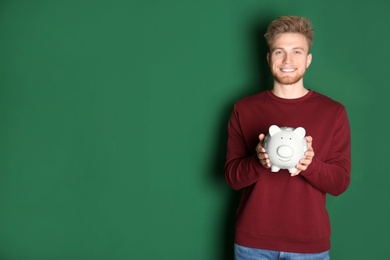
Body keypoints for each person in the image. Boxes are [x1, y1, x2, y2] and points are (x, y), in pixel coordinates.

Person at [224, 16, 351, 260]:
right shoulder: (245, 108)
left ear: (308, 59)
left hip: (310, 246)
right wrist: (258, 161)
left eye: (297, 52)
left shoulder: (333, 112)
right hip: (253, 243)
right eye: (279, 51)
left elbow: (340, 183)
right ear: (269, 58)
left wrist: (309, 165)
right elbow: (232, 177)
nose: (288, 60)